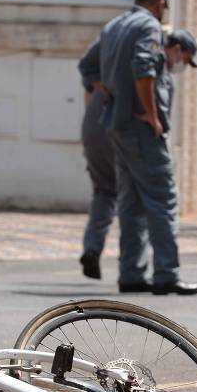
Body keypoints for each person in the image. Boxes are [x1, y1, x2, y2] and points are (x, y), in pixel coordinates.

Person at [78, 0, 197, 295]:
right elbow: (143, 68)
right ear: (160, 3)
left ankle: (131, 274)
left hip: (116, 126)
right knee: (163, 200)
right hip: (141, 128)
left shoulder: (114, 26)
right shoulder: (148, 27)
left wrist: (113, 95)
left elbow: (88, 67)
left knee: (131, 202)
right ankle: (167, 274)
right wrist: (149, 112)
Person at [79, 85, 116, 280]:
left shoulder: (97, 69)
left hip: (92, 133)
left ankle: (92, 248)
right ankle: (132, 267)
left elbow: (88, 91)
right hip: (117, 134)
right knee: (135, 201)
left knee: (103, 193)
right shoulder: (136, 59)